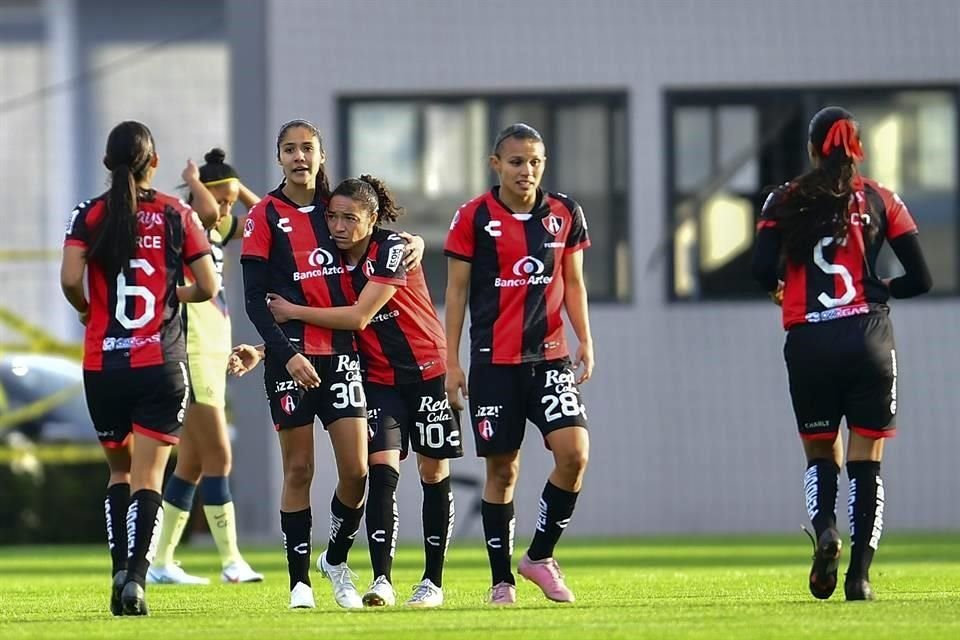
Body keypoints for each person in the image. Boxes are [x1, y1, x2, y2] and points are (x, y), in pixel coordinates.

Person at [232, 175, 460, 608]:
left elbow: (356, 318)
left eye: (349, 218)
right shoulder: (336, 262)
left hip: (427, 369)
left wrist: (291, 310)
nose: (337, 225)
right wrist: (266, 351)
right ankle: (381, 580)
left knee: (433, 474)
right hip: (377, 378)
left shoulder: (392, 249)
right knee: (380, 472)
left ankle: (432, 582)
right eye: (332, 217)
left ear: (371, 219)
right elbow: (324, 323)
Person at [752, 106, 932, 601]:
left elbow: (762, 268)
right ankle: (860, 577)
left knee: (819, 451)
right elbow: (923, 278)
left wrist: (781, 288)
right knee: (867, 459)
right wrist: (881, 286)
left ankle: (825, 528)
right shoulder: (881, 199)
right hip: (867, 336)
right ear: (857, 149)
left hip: (809, 340)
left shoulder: (782, 199)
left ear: (812, 150)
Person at [60, 120, 218, 615]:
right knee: (150, 476)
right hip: (160, 364)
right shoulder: (178, 214)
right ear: (154, 163)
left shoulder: (88, 215)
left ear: (109, 164)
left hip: (103, 365)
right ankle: (136, 578)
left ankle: (118, 571)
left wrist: (88, 310)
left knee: (119, 473)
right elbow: (209, 287)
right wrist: (172, 293)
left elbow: (69, 280)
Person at [443, 123, 593, 605]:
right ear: (496, 165)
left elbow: (572, 283)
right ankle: (501, 581)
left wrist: (584, 339)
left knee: (574, 454)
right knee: (503, 472)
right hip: (493, 364)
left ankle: (540, 556)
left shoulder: (564, 213)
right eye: (515, 162)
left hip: (550, 359)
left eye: (534, 162)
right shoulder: (473, 217)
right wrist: (452, 362)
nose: (526, 171)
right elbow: (457, 293)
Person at [240, 119, 375, 610]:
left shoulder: (338, 209)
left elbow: (384, 247)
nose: (300, 157)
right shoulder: (264, 215)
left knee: (357, 471)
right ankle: (300, 582)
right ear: (278, 157)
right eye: (290, 149)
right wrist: (285, 353)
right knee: (298, 469)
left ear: (321, 155)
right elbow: (256, 301)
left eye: (308, 149)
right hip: (290, 361)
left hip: (342, 357)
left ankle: (335, 559)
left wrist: (416, 245)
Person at [146, 149, 263, 586]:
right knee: (220, 455)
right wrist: (197, 183)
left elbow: (263, 215)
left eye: (231, 201)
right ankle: (231, 559)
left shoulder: (214, 236)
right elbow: (209, 209)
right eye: (221, 200)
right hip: (190, 351)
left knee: (191, 465)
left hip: (214, 352)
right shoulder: (184, 230)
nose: (227, 210)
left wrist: (233, 185)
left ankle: (160, 563)